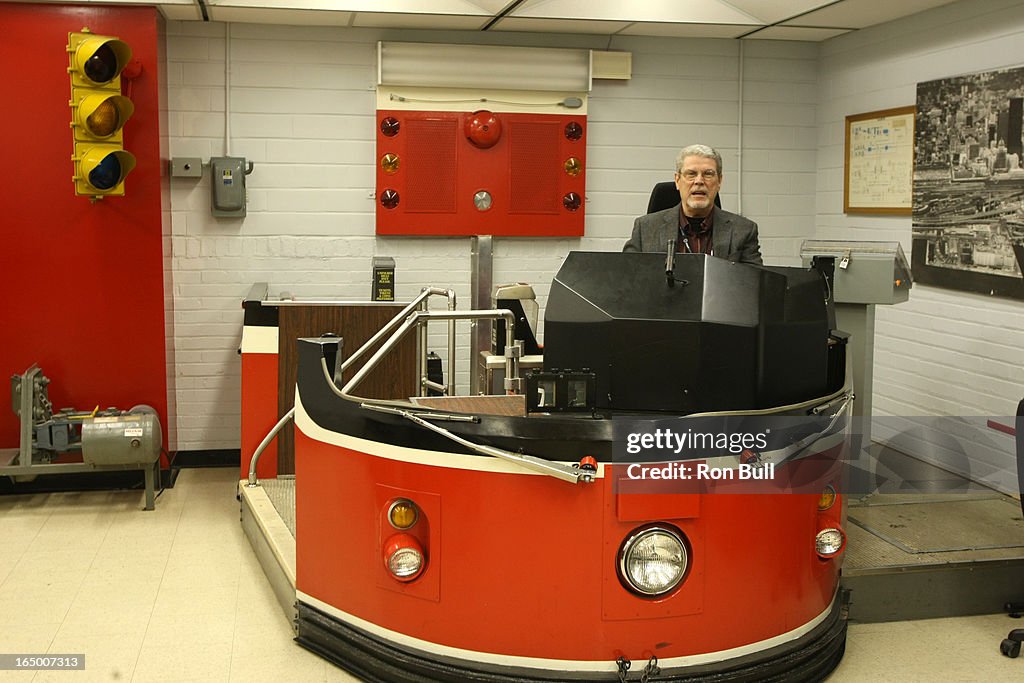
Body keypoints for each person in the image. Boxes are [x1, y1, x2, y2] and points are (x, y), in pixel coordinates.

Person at [623, 144, 762, 265]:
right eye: (691, 174)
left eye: (708, 174)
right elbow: (626, 281)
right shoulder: (645, 229)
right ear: (677, 180)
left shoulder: (744, 231)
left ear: (719, 181)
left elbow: (754, 286)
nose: (699, 181)